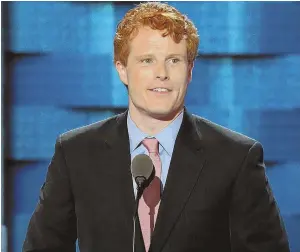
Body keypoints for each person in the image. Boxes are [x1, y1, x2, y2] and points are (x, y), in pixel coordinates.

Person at [23, 2, 290, 252]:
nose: (161, 73)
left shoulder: (237, 158)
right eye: (147, 60)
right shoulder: (76, 153)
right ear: (122, 69)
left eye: (174, 60)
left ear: (190, 71)